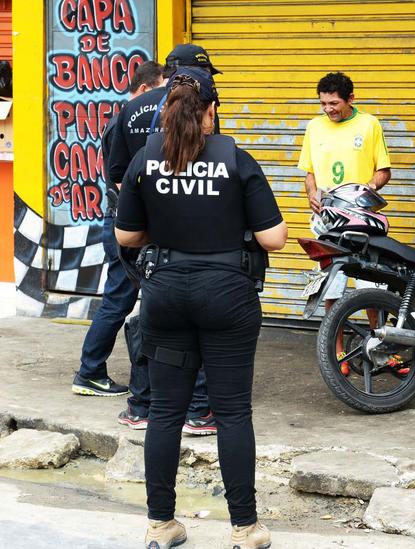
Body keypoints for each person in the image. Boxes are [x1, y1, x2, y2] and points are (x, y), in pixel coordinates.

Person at [115, 66, 287, 549]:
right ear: (211, 110)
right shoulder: (235, 156)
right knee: (232, 412)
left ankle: (160, 525)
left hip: (165, 294)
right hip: (227, 295)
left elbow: (126, 236)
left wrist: (170, 238)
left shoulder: (148, 158)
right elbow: (274, 238)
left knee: (165, 410)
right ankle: (244, 529)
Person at [107, 44, 223, 435]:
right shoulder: (201, 112)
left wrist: (145, 203)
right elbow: (214, 174)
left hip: (142, 234)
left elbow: (118, 170)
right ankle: (197, 408)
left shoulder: (132, 107)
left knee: (149, 317)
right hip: (187, 237)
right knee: (196, 322)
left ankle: (141, 405)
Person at [72, 61, 165, 399]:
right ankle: (90, 371)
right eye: (160, 90)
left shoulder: (124, 120)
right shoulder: (128, 121)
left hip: (122, 219)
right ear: (144, 90)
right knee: (118, 298)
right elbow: (121, 178)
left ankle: (92, 369)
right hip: (123, 222)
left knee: (120, 298)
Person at [297, 71, 393, 375]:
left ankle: (382, 348)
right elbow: (309, 172)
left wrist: (367, 188)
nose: (328, 109)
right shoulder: (314, 127)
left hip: (362, 222)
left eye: (334, 103)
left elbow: (384, 172)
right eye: (323, 103)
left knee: (372, 286)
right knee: (332, 289)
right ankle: (337, 350)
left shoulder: (369, 124)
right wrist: (312, 192)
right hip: (327, 222)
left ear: (350, 99)